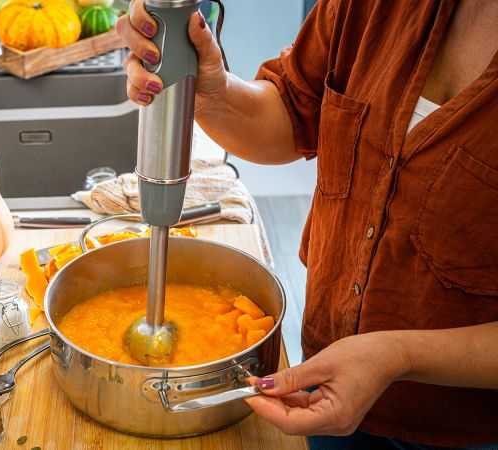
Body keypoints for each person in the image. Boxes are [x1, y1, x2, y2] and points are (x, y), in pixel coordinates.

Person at [118, 0, 498, 448]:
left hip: (468, 429)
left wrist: (398, 355)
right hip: (326, 379)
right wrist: (213, 94)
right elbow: (291, 114)